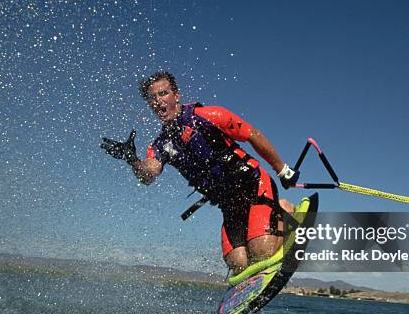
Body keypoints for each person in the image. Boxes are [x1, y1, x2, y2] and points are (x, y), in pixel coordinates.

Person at [101, 71, 300, 274]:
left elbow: (252, 135)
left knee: (262, 252)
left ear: (176, 95)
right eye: (153, 98)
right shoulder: (160, 145)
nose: (158, 101)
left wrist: (282, 170)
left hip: (253, 184)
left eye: (163, 94)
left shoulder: (208, 116)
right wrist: (132, 160)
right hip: (229, 203)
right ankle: (263, 232)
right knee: (238, 264)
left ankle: (285, 208)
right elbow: (148, 175)